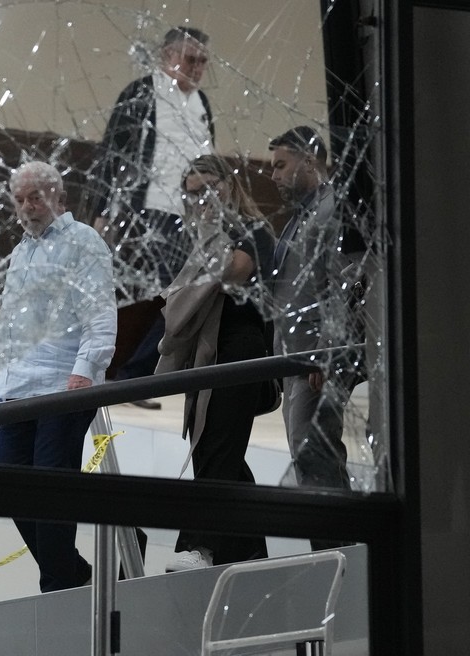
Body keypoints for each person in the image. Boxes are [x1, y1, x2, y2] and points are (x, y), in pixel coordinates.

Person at [0, 161, 117, 592]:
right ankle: (76, 572)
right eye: (21, 199)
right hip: (16, 388)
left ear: (59, 199)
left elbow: (100, 312)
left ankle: (59, 584)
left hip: (62, 384)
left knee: (49, 486)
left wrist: (86, 372)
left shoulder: (83, 241)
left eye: (37, 197)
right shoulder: (21, 251)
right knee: (9, 489)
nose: (28, 207)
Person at [154, 154, 274, 570]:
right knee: (219, 452)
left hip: (240, 347)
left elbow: (231, 272)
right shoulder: (199, 237)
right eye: (192, 194)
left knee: (218, 447)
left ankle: (200, 545)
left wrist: (192, 278)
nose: (201, 200)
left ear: (228, 185)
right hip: (208, 351)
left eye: (208, 189)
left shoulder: (254, 230)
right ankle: (250, 550)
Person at [90, 26, 216, 410]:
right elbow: (112, 151)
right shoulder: (140, 93)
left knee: (177, 297)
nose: (196, 68)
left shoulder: (202, 103)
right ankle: (121, 375)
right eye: (189, 58)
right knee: (132, 294)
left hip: (185, 216)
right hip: (140, 210)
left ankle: (131, 377)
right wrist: (99, 211)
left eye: (202, 61)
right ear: (166, 56)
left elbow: (210, 162)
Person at [268, 126, 363, 507]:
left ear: (309, 161)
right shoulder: (302, 215)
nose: (273, 175)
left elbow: (345, 284)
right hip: (297, 355)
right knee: (307, 453)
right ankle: (341, 547)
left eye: (280, 165)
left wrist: (327, 351)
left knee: (314, 453)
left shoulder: (331, 209)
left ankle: (342, 548)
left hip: (316, 356)